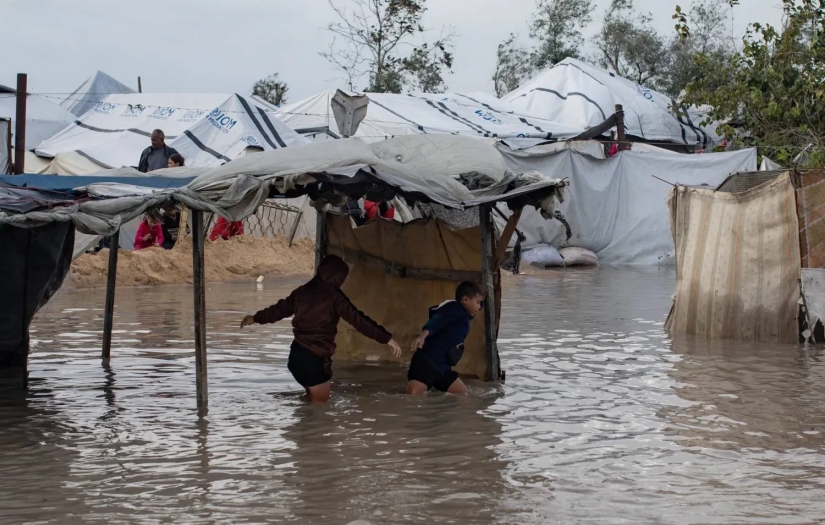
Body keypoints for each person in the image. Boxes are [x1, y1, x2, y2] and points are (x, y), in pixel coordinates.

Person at [240, 254, 403, 402]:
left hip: (295, 358)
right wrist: (387, 338)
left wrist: (255, 318)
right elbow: (359, 321)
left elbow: (278, 310)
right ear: (338, 277)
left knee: (309, 403)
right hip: (315, 362)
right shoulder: (335, 297)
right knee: (320, 412)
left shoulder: (301, 292)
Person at [406, 281, 485, 395]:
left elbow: (475, 307)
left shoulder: (465, 316)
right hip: (426, 364)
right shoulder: (454, 308)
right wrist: (422, 336)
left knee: (463, 394)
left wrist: (481, 299)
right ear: (465, 300)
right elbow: (437, 321)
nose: (479, 307)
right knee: (412, 395)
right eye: (478, 302)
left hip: (443, 369)